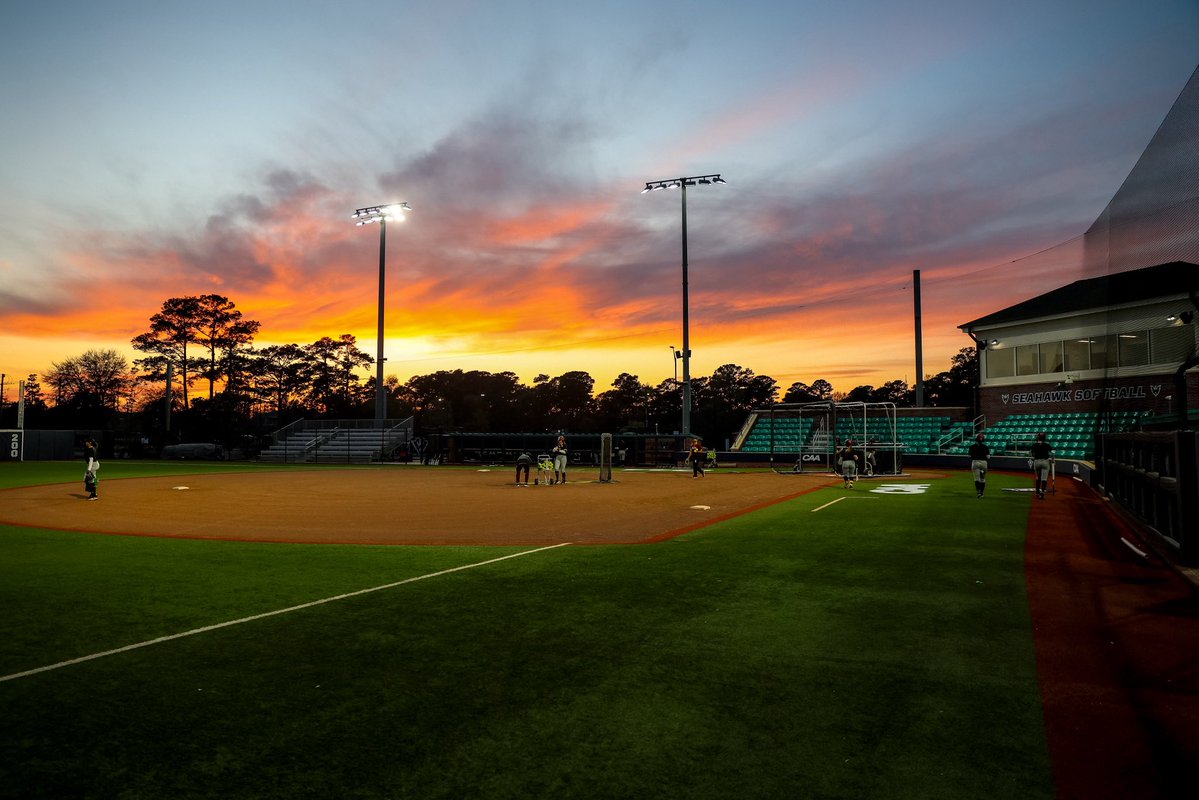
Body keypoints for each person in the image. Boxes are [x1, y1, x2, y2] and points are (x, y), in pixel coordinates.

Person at [1029, 432, 1054, 499]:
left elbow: (1031, 454)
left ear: (1038, 437)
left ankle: (1037, 492)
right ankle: (1042, 492)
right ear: (1044, 438)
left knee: (1037, 477)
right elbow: (1053, 453)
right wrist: (1053, 460)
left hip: (1037, 462)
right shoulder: (1047, 445)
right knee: (1044, 478)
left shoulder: (1034, 445)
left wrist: (1034, 456)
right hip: (1045, 462)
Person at [968, 433, 990, 498]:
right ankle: (982, 493)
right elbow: (988, 457)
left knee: (976, 478)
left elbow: (969, 456)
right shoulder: (985, 447)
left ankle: (979, 492)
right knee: (982, 478)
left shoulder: (972, 447)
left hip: (975, 462)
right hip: (983, 463)